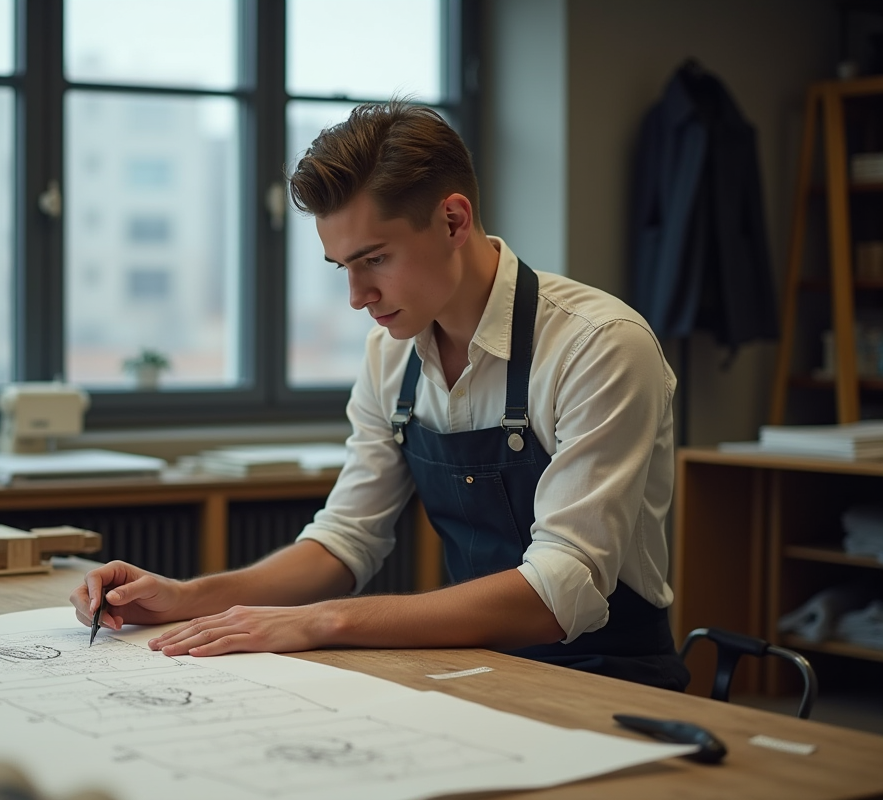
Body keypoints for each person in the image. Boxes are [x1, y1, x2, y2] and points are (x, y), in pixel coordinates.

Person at [71, 100, 689, 690]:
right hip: (480, 669)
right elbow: (345, 540)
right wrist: (185, 596)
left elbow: (561, 589)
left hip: (609, 680)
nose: (357, 296)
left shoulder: (600, 346)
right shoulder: (391, 352)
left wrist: (325, 621)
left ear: (453, 220)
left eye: (375, 259)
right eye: (343, 267)